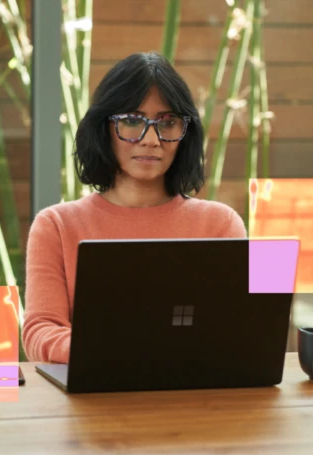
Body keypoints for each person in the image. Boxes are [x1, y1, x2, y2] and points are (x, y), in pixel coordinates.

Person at [22, 52, 247, 364]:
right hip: (91, 401)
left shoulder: (222, 223)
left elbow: (250, 326)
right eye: (131, 121)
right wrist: (118, 351)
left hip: (196, 398)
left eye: (167, 123)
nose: (152, 139)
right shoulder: (56, 225)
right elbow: (40, 330)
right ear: (103, 129)